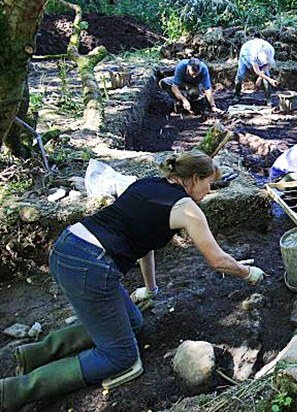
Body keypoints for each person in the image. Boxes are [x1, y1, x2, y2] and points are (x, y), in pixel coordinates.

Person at [0, 150, 265, 411]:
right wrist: (247, 273)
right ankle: (15, 390)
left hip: (67, 246)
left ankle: (33, 354)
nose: (209, 191)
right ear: (194, 178)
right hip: (91, 268)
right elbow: (216, 260)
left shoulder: (147, 184)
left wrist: (150, 289)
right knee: (120, 357)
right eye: (209, 184)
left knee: (134, 321)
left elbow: (144, 242)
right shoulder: (187, 209)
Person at [233, 39, 279, 105]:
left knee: (266, 75)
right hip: (245, 54)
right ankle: (236, 95)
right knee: (241, 75)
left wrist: (261, 78)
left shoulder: (271, 50)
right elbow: (257, 71)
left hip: (257, 56)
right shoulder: (254, 53)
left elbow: (266, 65)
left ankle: (269, 99)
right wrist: (270, 80)